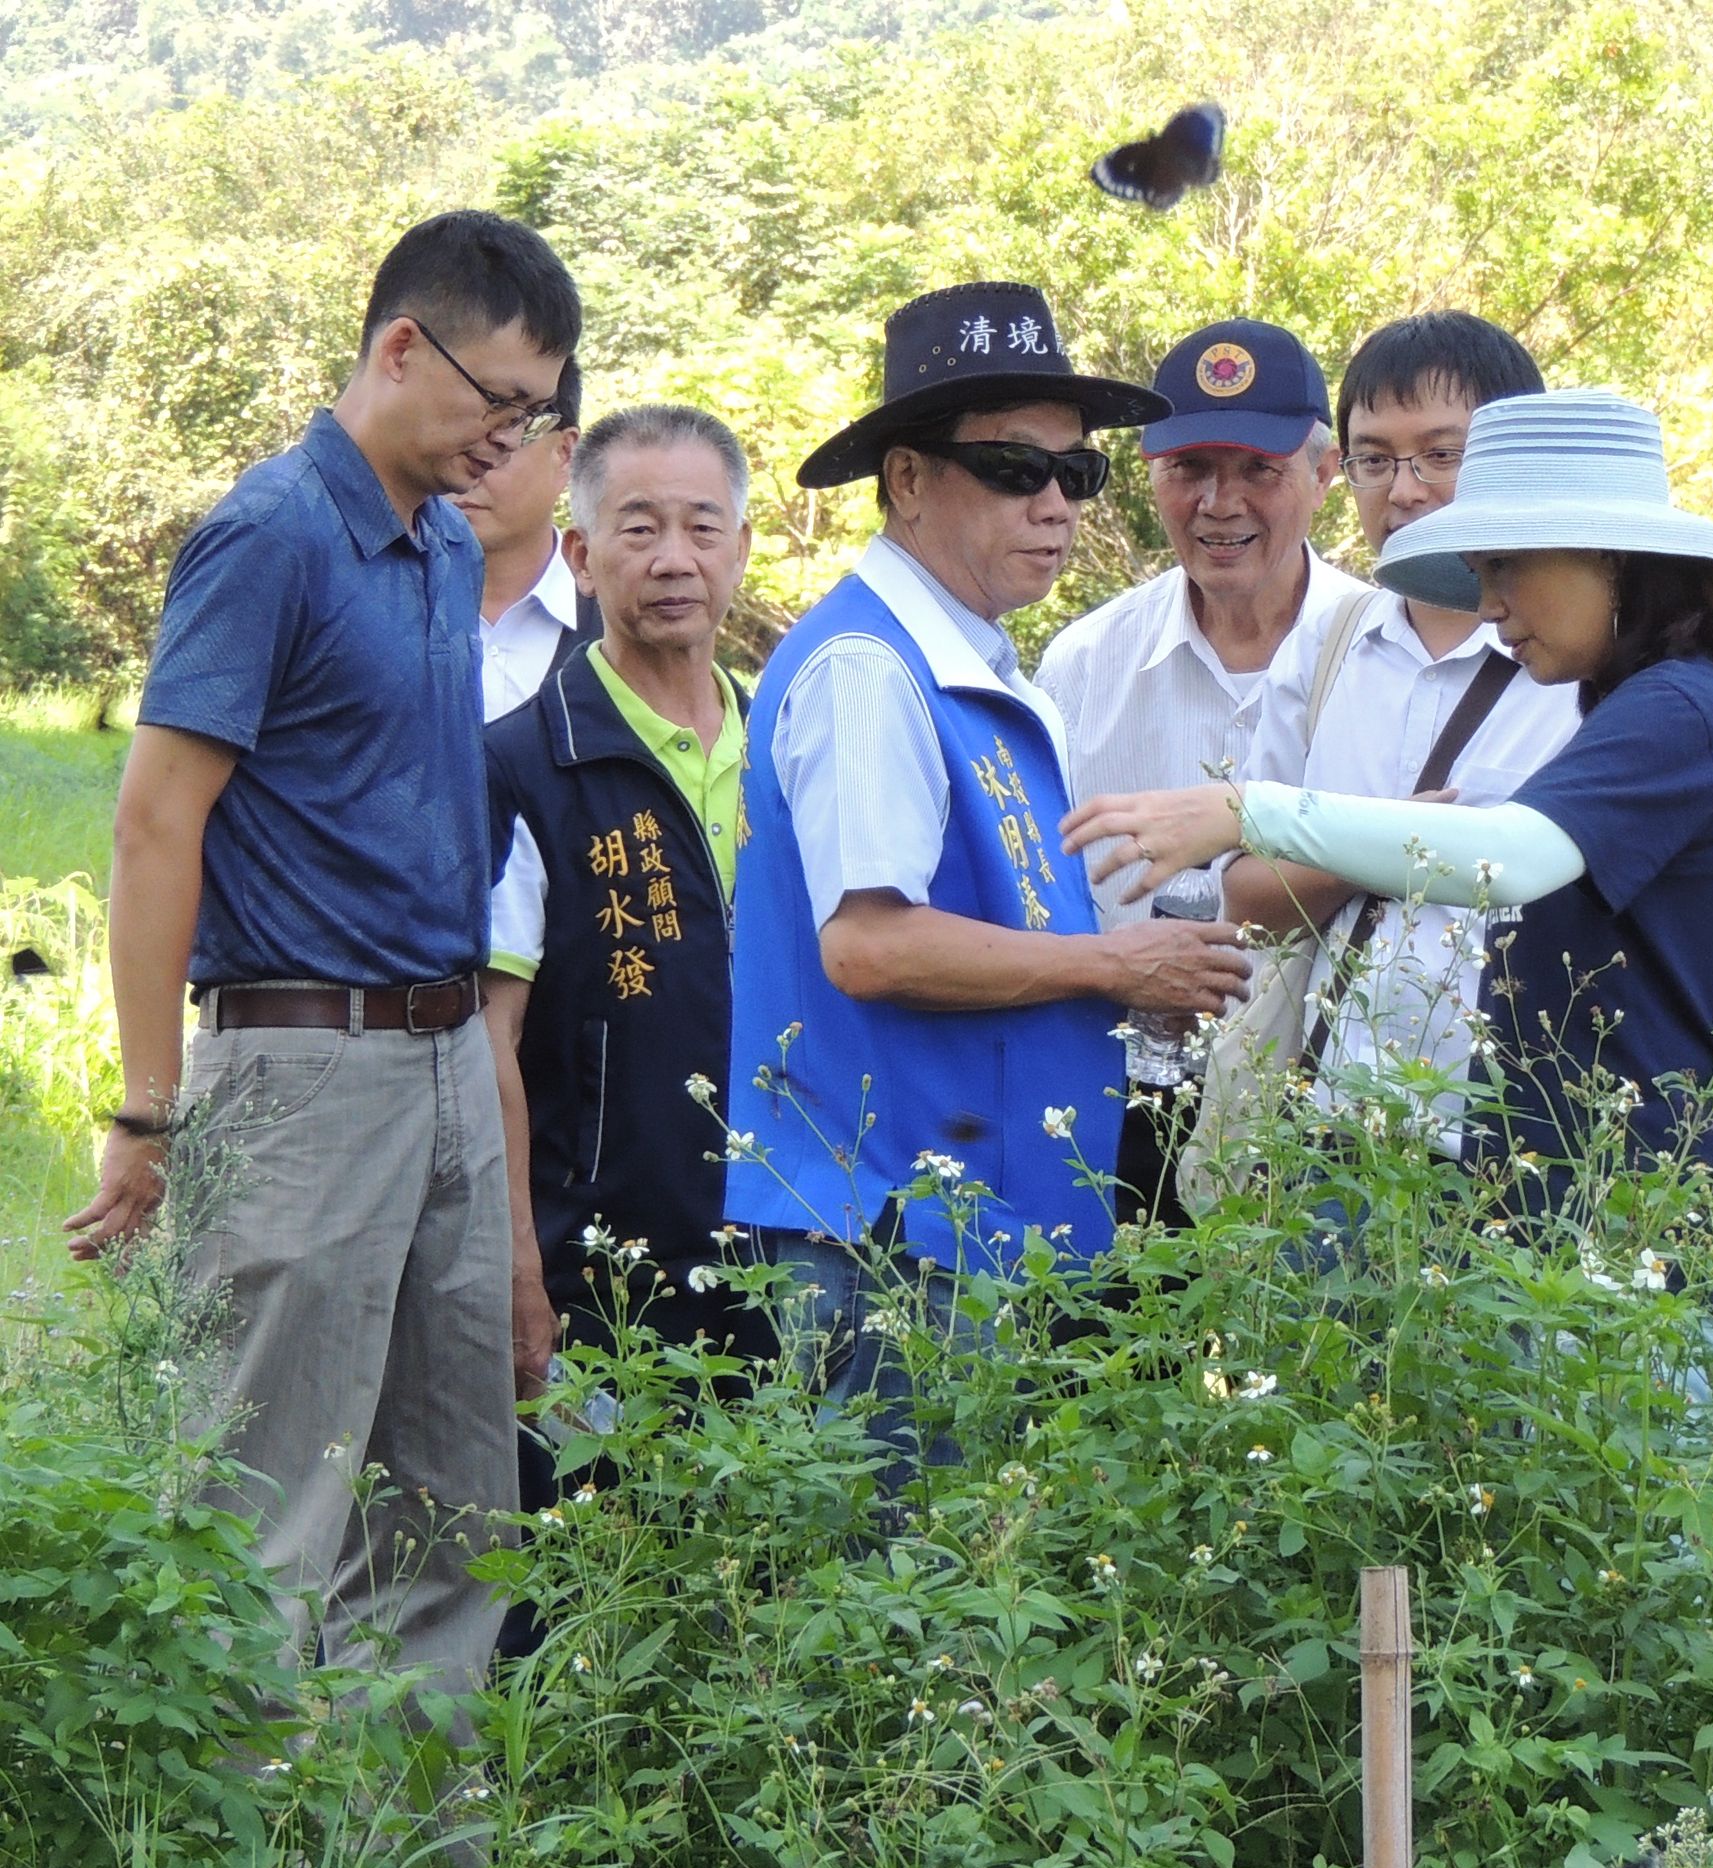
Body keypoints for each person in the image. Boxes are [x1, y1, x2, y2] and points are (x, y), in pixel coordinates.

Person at [64, 210, 581, 1702]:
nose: (511, 439)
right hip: (301, 1066)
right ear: (399, 347)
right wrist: (150, 1106)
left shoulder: (430, 542)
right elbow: (159, 821)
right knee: (263, 1515)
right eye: (497, 401)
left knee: (450, 1509)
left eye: (537, 415)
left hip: (438, 1065)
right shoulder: (271, 533)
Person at [721, 281, 1247, 1480]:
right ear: (906, 479)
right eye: (1015, 468)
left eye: (1079, 474)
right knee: (905, 1602)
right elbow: (871, 947)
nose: (1055, 503)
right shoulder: (871, 670)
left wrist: (1113, 987)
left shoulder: (973, 664)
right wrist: (1116, 964)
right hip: (891, 1229)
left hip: (969, 1226)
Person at [1063, 389, 1713, 1210]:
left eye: (1506, 565)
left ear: (1609, 556)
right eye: (1479, 575)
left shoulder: (1684, 708)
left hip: (1649, 1212)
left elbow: (1510, 858)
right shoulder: (1630, 701)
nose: (1489, 605)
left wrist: (1244, 811)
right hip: (1561, 1188)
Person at [1219, 312, 1575, 1158]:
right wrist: (1383, 836)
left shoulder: (1584, 668)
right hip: (1328, 1134)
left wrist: (1349, 841)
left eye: (1443, 456)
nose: (1404, 490)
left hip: (1523, 1150)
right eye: (1375, 459)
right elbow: (1246, 898)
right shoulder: (1330, 642)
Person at [1035, 318, 1365, 1225]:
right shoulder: (1083, 664)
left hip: (1324, 1117)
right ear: (1149, 473)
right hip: (1111, 1106)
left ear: (1324, 471)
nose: (1221, 504)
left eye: (1259, 469)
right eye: (1190, 470)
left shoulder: (1381, 655)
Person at [484, 403, 772, 1377]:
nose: (673, 559)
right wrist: (518, 1258)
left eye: (701, 527)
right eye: (638, 528)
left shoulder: (789, 749)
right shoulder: (523, 762)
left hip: (789, 1242)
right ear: (579, 553)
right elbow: (492, 1034)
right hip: (597, 1263)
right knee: (597, 1523)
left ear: (741, 547)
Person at [455, 356, 602, 719]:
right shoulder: (377, 610)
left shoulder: (621, 628)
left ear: (565, 453)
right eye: (454, 440)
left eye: (502, 437)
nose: (469, 467)